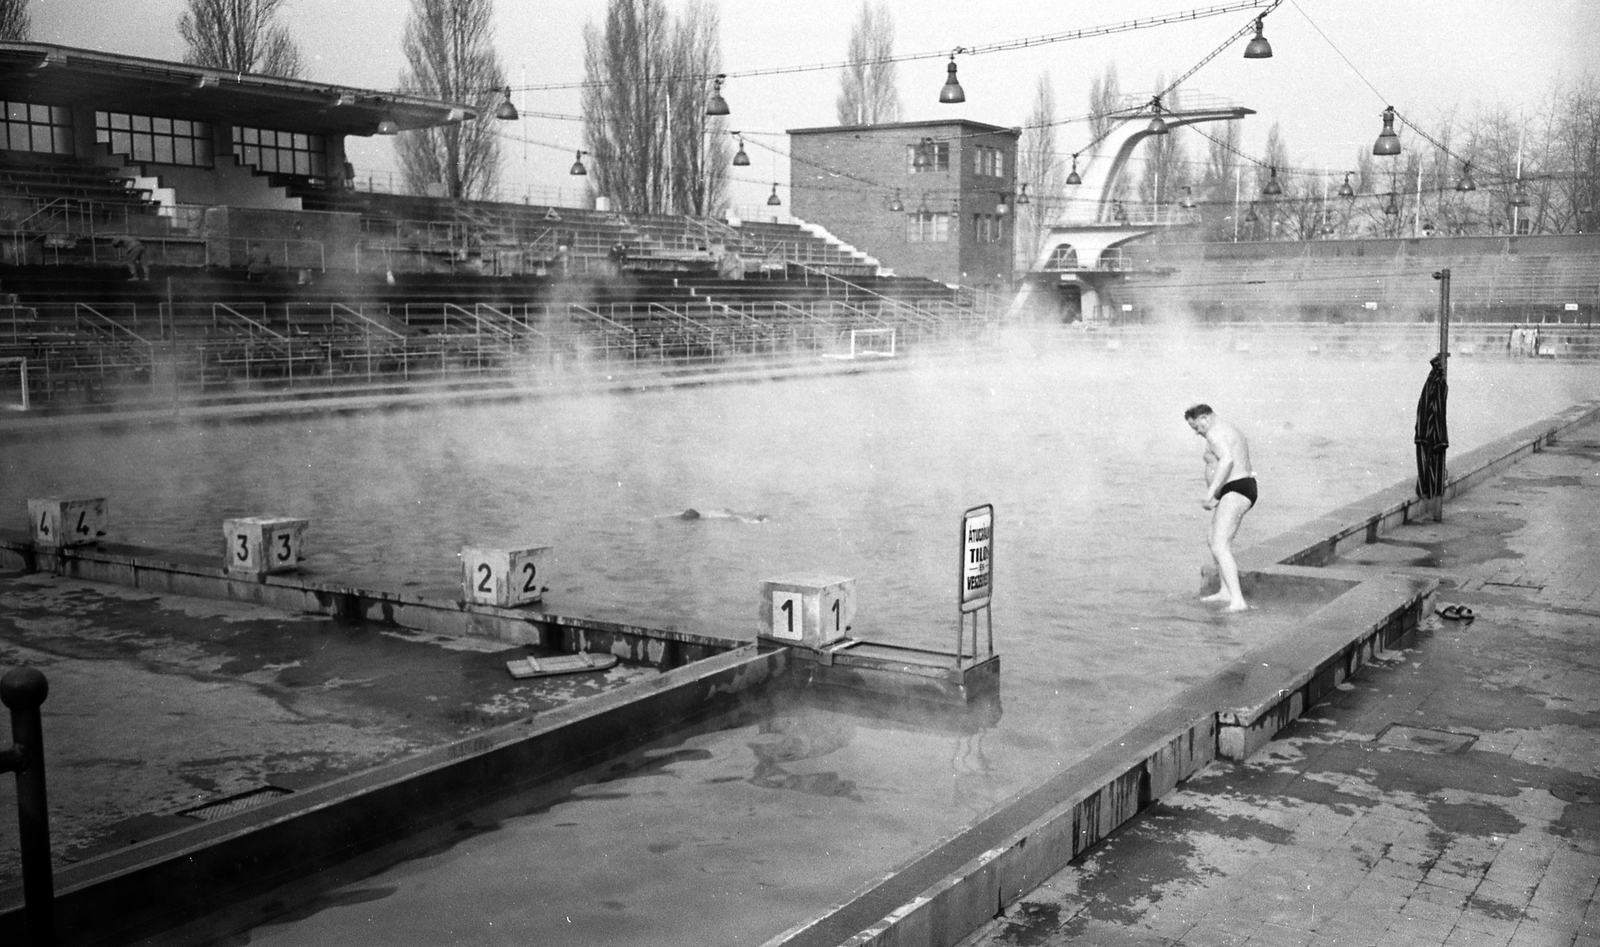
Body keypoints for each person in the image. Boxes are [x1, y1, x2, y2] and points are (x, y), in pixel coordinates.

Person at [1185, 404, 1256, 612]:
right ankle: (1226, 591)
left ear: (1204, 418)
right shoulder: (1227, 428)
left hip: (1236, 489)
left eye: (1196, 427)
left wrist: (1210, 493)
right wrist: (1217, 496)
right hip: (1238, 488)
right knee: (1213, 538)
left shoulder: (1214, 432)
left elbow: (1226, 461)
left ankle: (1238, 601)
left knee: (1219, 545)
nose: (1197, 432)